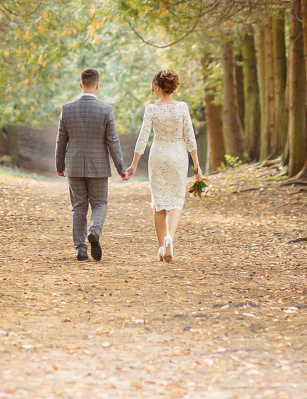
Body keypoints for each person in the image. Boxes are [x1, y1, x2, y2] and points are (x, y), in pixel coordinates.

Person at [123, 70, 202, 262]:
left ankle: (161, 247)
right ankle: (170, 239)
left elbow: (143, 138)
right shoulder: (182, 107)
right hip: (178, 156)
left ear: (157, 87)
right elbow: (190, 138)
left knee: (159, 204)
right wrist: (197, 167)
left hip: (158, 156)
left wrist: (133, 164)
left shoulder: (152, 109)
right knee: (175, 201)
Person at [55, 68, 129, 262]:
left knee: (78, 207)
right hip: (98, 167)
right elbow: (113, 141)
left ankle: (81, 249)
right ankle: (94, 231)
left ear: (81, 85)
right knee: (100, 203)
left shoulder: (67, 109)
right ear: (97, 86)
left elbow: (61, 141)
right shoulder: (106, 110)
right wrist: (121, 168)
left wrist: (59, 164)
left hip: (74, 166)